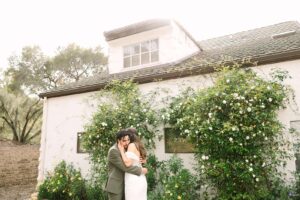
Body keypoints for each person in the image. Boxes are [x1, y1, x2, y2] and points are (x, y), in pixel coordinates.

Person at [105, 129, 148, 200]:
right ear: (118, 140)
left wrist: (142, 161)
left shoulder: (126, 148)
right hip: (116, 187)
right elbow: (125, 167)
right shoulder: (113, 151)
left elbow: (134, 158)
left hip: (127, 184)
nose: (127, 142)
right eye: (124, 141)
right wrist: (141, 170)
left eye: (128, 140)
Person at [118, 128, 148, 200]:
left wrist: (121, 151)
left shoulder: (131, 145)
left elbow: (128, 164)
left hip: (133, 179)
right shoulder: (138, 145)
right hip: (140, 178)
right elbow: (141, 160)